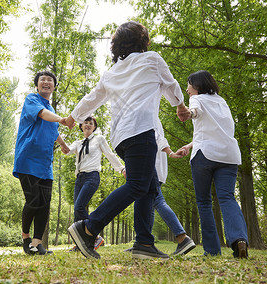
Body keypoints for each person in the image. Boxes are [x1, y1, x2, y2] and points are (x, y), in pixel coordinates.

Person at [64, 21, 190, 259]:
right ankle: (88, 228)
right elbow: (171, 85)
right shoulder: (152, 59)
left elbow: (92, 98)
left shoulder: (112, 72)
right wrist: (180, 106)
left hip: (121, 137)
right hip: (142, 131)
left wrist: (73, 117)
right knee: (138, 185)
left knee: (149, 188)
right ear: (143, 41)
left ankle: (144, 243)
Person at [178, 70, 248, 258]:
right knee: (227, 198)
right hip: (229, 155)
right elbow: (218, 130)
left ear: (198, 85)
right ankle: (239, 240)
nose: (187, 89)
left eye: (189, 85)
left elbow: (194, 112)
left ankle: (212, 251)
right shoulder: (222, 102)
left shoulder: (197, 99)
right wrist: (190, 144)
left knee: (204, 202)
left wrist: (187, 113)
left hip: (205, 156)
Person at [13, 71, 71, 255]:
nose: (46, 82)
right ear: (37, 85)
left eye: (50, 80)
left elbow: (53, 131)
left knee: (45, 203)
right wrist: (62, 119)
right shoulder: (32, 100)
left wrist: (62, 144)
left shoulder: (51, 110)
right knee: (34, 200)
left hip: (46, 164)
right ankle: (26, 237)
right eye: (42, 80)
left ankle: (37, 243)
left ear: (54, 86)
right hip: (28, 159)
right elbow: (43, 115)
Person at [125, 121, 196, 255]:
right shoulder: (146, 113)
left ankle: (182, 238)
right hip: (152, 167)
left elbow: (158, 138)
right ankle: (143, 243)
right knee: (148, 207)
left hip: (151, 168)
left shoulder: (148, 115)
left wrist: (170, 153)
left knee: (158, 202)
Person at [67, 116, 126, 251]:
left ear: (94, 127)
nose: (88, 125)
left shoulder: (99, 139)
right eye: (85, 123)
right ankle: (81, 244)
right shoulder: (78, 142)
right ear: (81, 126)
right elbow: (67, 151)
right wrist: (55, 136)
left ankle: (94, 235)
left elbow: (109, 154)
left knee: (79, 207)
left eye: (91, 123)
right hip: (79, 178)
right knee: (77, 212)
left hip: (92, 176)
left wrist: (121, 168)